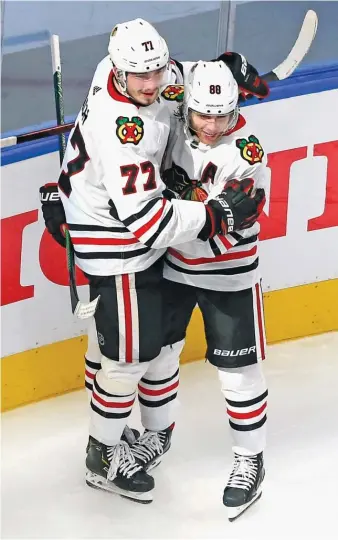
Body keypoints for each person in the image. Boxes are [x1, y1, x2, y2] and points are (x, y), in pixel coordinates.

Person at [39, 18, 268, 504]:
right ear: (119, 73)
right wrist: (215, 215)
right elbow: (148, 222)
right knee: (129, 356)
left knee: (131, 350)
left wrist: (215, 70)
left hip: (111, 222)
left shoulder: (121, 67)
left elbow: (173, 76)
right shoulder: (126, 134)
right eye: (139, 76)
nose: (151, 84)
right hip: (118, 239)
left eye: (156, 71)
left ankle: (140, 435)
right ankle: (102, 459)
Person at [129, 61, 268, 520]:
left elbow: (226, 228)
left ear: (236, 110)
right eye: (203, 115)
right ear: (187, 107)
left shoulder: (247, 155)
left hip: (228, 274)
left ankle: (251, 458)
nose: (211, 127)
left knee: (237, 373)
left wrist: (157, 224)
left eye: (221, 116)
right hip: (173, 266)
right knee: (159, 356)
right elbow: (157, 70)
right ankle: (156, 434)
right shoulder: (171, 114)